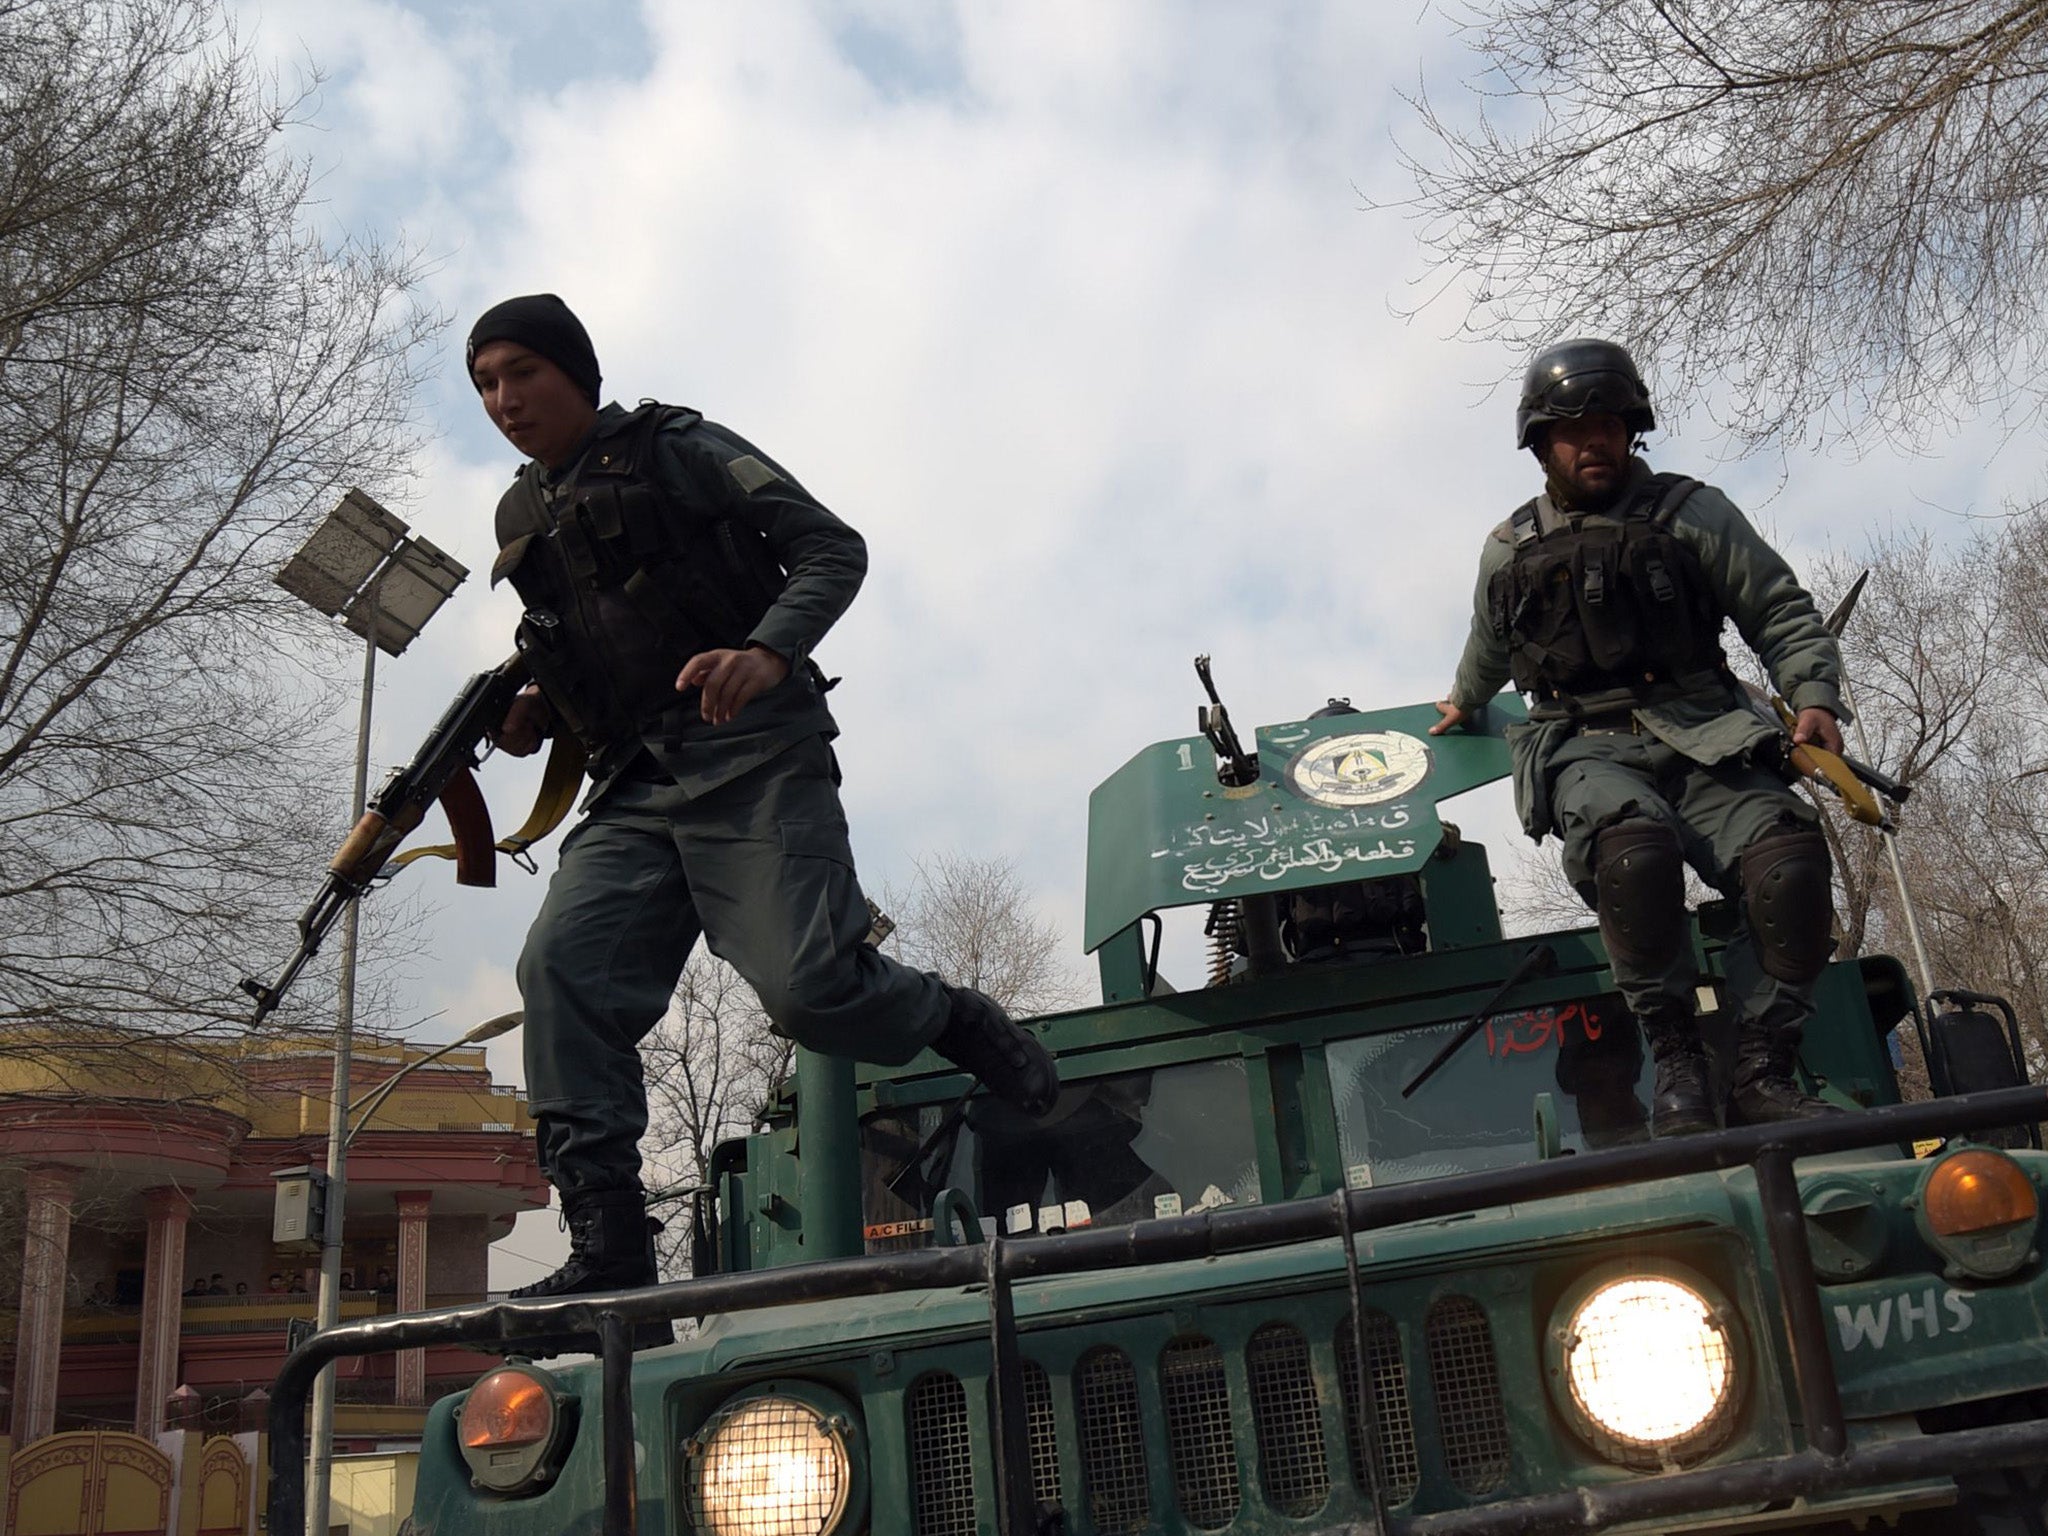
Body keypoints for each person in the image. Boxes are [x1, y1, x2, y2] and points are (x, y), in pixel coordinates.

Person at [465, 294, 1059, 1307]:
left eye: (520, 371)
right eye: (484, 384)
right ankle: (608, 1239)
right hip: (634, 786)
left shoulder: (675, 447)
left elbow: (831, 548)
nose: (503, 400)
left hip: (754, 758)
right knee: (559, 970)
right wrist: (536, 714)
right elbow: (589, 668)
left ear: (575, 371)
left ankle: (954, 1019)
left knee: (810, 992)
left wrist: (767, 650)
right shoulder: (519, 515)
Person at [1432, 337, 1846, 1137]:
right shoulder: (1510, 548)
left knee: (1789, 864)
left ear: (1633, 430)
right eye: (1574, 428)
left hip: (1706, 730)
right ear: (1540, 443)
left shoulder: (1693, 514)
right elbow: (1488, 646)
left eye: (1611, 425)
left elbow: (1777, 609)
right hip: (1584, 744)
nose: (1595, 441)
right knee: (1634, 856)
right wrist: (1461, 701)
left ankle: (1762, 1067)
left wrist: (1813, 695)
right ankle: (1679, 1057)